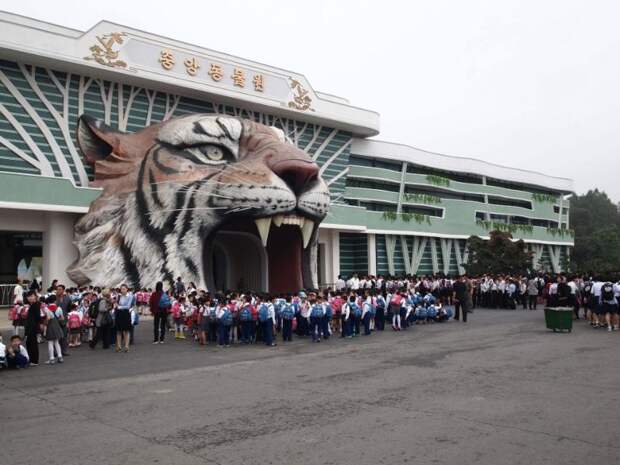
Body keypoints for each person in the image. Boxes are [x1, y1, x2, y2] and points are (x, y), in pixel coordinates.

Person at [44, 295, 64, 364]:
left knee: (50, 342)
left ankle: (51, 358)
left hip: (50, 326)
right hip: (57, 326)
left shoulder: (47, 309)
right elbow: (62, 318)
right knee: (56, 342)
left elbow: (47, 319)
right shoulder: (59, 308)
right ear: (55, 300)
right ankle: (60, 357)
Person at [24, 290, 41, 366]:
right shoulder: (32, 305)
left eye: (32, 296)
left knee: (32, 344)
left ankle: (34, 361)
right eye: (29, 296)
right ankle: (32, 359)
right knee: (29, 343)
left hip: (33, 327)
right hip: (30, 327)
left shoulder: (36, 305)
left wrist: (34, 326)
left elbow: (38, 317)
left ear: (35, 296)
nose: (30, 298)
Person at [115, 284, 133, 352]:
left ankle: (126, 346)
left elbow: (128, 306)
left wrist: (119, 307)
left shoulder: (130, 296)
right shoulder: (119, 296)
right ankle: (119, 346)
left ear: (127, 289)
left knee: (127, 330)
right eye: (121, 289)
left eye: (124, 289)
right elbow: (116, 304)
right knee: (118, 330)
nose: (123, 290)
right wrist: (117, 306)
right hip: (119, 314)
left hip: (126, 313)